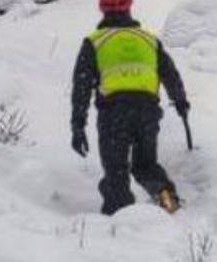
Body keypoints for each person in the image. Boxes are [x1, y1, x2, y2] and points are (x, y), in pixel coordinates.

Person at [70, 0, 190, 215]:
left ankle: (121, 227)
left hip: (113, 113)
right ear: (129, 8)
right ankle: (169, 203)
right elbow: (170, 75)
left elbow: (81, 87)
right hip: (147, 112)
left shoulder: (94, 42)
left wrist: (78, 125)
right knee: (146, 166)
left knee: (116, 172)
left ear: (102, 9)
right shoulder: (149, 40)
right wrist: (180, 102)